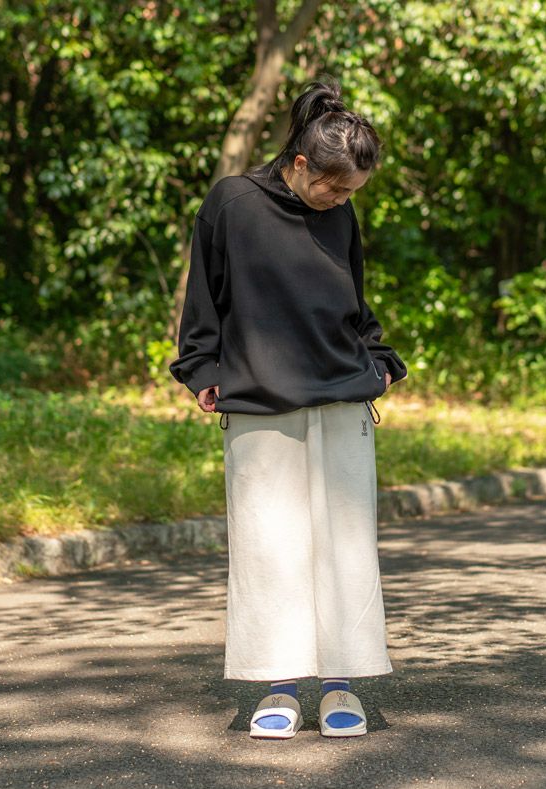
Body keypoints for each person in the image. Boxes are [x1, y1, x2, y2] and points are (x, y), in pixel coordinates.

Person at [169, 76, 407, 739]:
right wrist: (201, 368)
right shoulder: (231, 203)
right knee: (268, 548)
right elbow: (204, 295)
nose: (340, 199)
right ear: (300, 162)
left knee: (343, 549)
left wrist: (380, 359)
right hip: (258, 399)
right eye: (333, 187)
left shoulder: (341, 214)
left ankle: (339, 686)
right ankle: (278, 687)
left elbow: (354, 301)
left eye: (351, 192)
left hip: (343, 395)